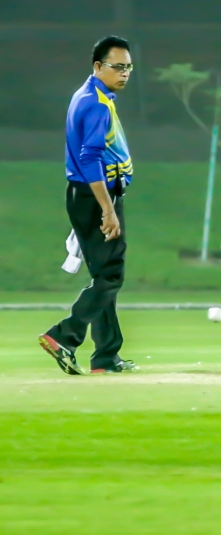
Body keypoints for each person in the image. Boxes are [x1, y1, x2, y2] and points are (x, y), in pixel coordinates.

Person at [38, 36, 139, 375]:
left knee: (103, 275)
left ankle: (106, 357)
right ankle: (65, 336)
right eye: (117, 67)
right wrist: (107, 209)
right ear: (98, 67)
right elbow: (90, 157)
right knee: (111, 275)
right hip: (96, 195)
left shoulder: (89, 95)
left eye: (128, 67)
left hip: (85, 195)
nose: (124, 73)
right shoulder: (95, 103)